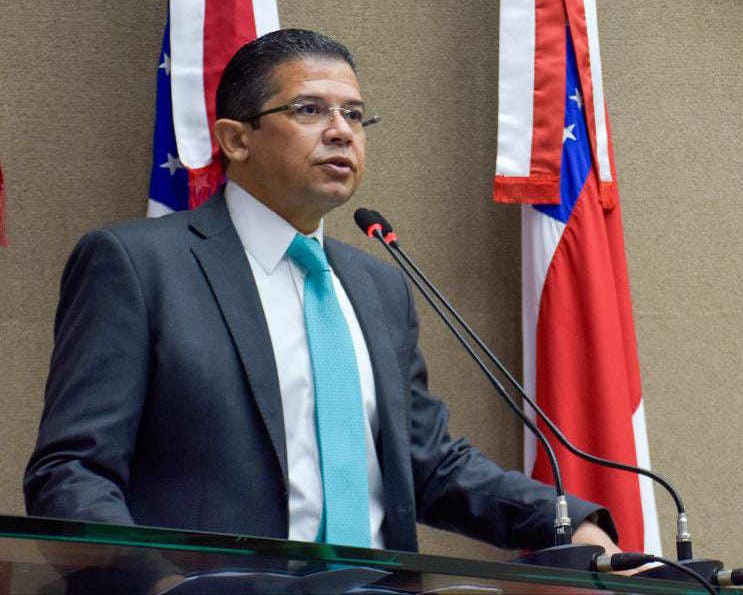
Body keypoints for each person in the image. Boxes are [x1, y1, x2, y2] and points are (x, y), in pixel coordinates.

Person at [24, 29, 619, 559]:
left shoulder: (376, 284)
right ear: (235, 139)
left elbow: (426, 464)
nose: (341, 131)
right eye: (310, 109)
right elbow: (72, 472)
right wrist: (153, 585)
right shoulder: (138, 265)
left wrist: (568, 525)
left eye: (355, 116)